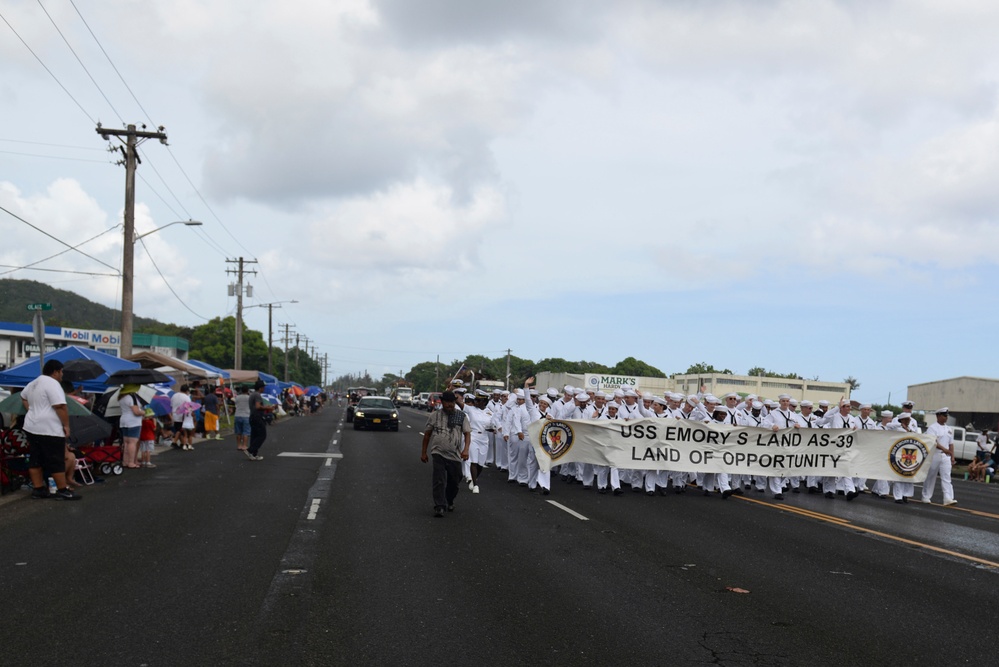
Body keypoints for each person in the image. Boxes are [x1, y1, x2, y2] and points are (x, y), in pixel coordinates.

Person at [21, 359, 80, 500]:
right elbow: (60, 406)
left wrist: (31, 410)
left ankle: (38, 489)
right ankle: (62, 490)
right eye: (61, 371)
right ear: (55, 372)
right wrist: (66, 426)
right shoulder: (53, 384)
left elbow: (23, 397)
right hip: (49, 428)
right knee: (56, 459)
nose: (62, 375)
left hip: (31, 426)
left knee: (36, 458)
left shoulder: (34, 383)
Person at [420, 391, 471, 517]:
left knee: (455, 479)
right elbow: (427, 435)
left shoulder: (461, 416)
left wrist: (465, 450)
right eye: (447, 402)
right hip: (438, 452)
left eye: (452, 402)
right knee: (439, 480)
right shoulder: (434, 416)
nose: (450, 405)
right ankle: (439, 506)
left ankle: (449, 499)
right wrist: (424, 453)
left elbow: (467, 434)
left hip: (455, 454)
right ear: (442, 402)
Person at [921, 408, 957, 506]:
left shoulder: (948, 429)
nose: (946, 418)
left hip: (946, 456)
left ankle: (948, 498)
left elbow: (951, 444)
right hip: (935, 454)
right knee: (931, 476)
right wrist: (944, 449)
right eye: (944, 416)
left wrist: (952, 456)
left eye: (947, 416)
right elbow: (933, 442)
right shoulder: (933, 428)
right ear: (938, 416)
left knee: (946, 477)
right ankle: (926, 496)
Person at [118, 384, 145, 469]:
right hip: (133, 422)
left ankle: (125, 461)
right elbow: (136, 412)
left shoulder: (121, 397)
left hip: (123, 421)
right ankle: (131, 462)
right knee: (132, 442)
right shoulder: (132, 397)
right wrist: (144, 412)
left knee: (126, 442)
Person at [245, 380, 271, 461]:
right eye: (263, 387)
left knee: (254, 435)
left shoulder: (252, 394)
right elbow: (258, 406)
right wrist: (267, 407)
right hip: (257, 417)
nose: (264, 389)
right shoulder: (257, 395)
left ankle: (253, 454)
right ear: (260, 388)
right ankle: (250, 450)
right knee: (262, 435)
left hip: (252, 417)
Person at [170, 384, 192, 450]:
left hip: (174, 415)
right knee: (182, 430)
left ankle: (183, 443)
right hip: (182, 416)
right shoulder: (186, 397)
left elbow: (171, 406)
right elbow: (189, 408)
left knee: (179, 430)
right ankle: (174, 442)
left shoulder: (174, 396)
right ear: (187, 390)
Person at [233, 385, 251, 451]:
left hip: (237, 415)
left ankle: (239, 445)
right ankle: (244, 445)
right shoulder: (249, 398)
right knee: (246, 432)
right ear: (247, 390)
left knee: (238, 432)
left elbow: (236, 404)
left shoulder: (237, 397)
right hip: (246, 415)